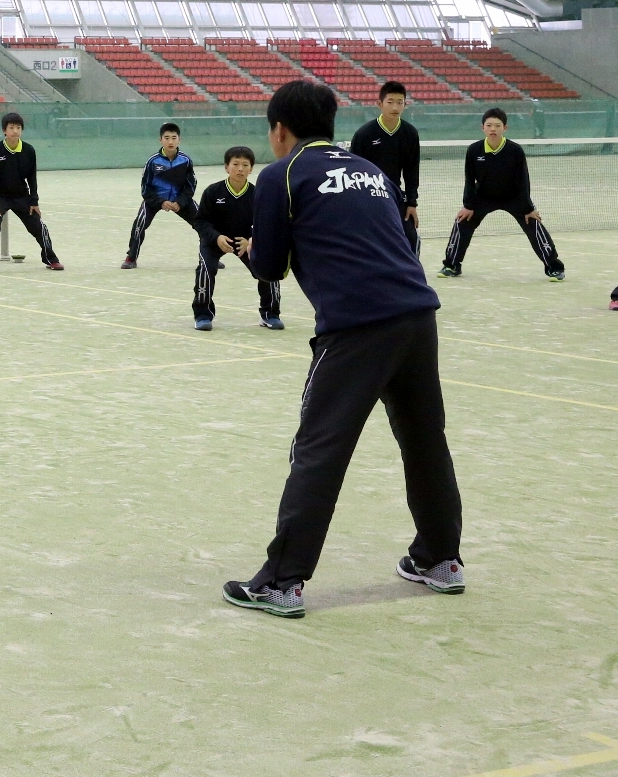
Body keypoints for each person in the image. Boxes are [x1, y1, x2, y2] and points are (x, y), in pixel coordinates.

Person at [222, 80, 462, 619]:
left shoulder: (281, 174)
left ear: (279, 130)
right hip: (418, 317)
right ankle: (441, 559)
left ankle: (282, 582)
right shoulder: (372, 172)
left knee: (318, 450)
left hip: (356, 328)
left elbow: (268, 269)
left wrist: (257, 245)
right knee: (425, 442)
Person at [440, 108, 564, 282]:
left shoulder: (515, 151)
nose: (493, 129)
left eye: (497, 125)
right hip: (483, 197)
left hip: (513, 197)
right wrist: (468, 205)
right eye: (489, 125)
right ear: (482, 127)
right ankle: (451, 265)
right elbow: (469, 180)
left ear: (505, 128)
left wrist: (528, 208)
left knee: (534, 223)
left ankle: (554, 267)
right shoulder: (474, 150)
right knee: (462, 221)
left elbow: (523, 181)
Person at [191, 146, 283, 332]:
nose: (240, 169)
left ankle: (270, 313)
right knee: (205, 270)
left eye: (245, 165)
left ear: (251, 169)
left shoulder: (258, 194)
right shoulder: (213, 192)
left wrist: (251, 240)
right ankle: (203, 314)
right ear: (226, 167)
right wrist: (216, 238)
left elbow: (266, 223)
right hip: (216, 241)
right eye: (235, 164)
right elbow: (200, 222)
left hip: (246, 242)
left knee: (269, 268)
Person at [0, 111, 62, 273]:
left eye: (18, 127)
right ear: (4, 130)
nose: (15, 131)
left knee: (39, 227)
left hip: (22, 197)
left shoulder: (29, 151)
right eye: (11, 127)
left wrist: (34, 201)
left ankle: (51, 259)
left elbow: (32, 178)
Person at [349, 81, 422, 257]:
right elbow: (353, 171)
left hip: (395, 195)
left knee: (411, 238)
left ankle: (409, 277)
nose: (395, 107)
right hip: (367, 195)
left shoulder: (410, 134)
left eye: (400, 102)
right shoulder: (364, 134)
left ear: (405, 104)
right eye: (390, 102)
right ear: (380, 104)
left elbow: (412, 170)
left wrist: (411, 202)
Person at [122, 123, 196, 268]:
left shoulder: (186, 161)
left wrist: (180, 202)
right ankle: (131, 257)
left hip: (179, 200)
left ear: (179, 140)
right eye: (166, 138)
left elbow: (191, 186)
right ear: (160, 140)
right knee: (139, 224)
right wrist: (160, 202)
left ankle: (210, 256)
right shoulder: (152, 161)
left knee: (203, 222)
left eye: (174, 138)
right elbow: (145, 188)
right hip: (155, 200)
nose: (170, 141)